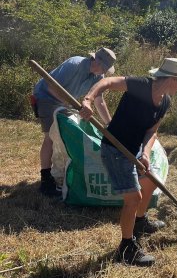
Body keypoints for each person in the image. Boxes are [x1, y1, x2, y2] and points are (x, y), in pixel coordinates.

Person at [79, 57, 177, 267]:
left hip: (135, 149)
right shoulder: (141, 85)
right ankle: (126, 248)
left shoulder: (165, 101)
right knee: (133, 197)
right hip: (115, 148)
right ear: (172, 79)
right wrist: (87, 99)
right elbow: (107, 82)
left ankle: (140, 221)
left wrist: (146, 154)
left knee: (151, 181)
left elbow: (152, 131)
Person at [32, 48, 116, 196]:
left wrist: (110, 124)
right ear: (96, 61)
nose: (104, 72)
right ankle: (45, 180)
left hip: (65, 103)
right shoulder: (74, 64)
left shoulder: (98, 76)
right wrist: (69, 104)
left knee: (65, 136)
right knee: (50, 137)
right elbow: (51, 86)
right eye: (104, 68)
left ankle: (60, 172)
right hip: (46, 97)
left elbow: (99, 100)